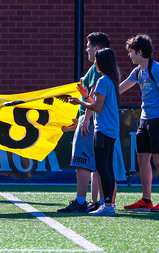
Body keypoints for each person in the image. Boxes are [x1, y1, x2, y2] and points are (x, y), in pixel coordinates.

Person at [58, 32, 111, 213]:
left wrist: (86, 118)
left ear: (97, 49)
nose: (86, 49)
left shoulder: (99, 69)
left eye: (88, 46)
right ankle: (104, 203)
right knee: (101, 165)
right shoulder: (103, 69)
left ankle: (82, 202)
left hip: (93, 121)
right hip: (100, 122)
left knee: (83, 162)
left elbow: (94, 97)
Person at [69, 48, 120, 216]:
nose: (94, 63)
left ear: (102, 62)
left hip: (103, 130)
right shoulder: (111, 80)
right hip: (111, 129)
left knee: (102, 168)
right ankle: (108, 205)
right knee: (107, 168)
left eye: (97, 60)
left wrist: (80, 101)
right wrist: (86, 96)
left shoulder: (103, 81)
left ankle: (107, 206)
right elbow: (99, 104)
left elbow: (96, 107)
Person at [120, 34, 159, 212]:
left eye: (131, 52)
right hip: (144, 119)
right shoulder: (137, 71)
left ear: (140, 52)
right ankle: (146, 200)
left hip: (157, 120)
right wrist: (97, 95)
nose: (129, 55)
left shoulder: (155, 69)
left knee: (158, 160)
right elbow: (119, 89)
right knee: (143, 158)